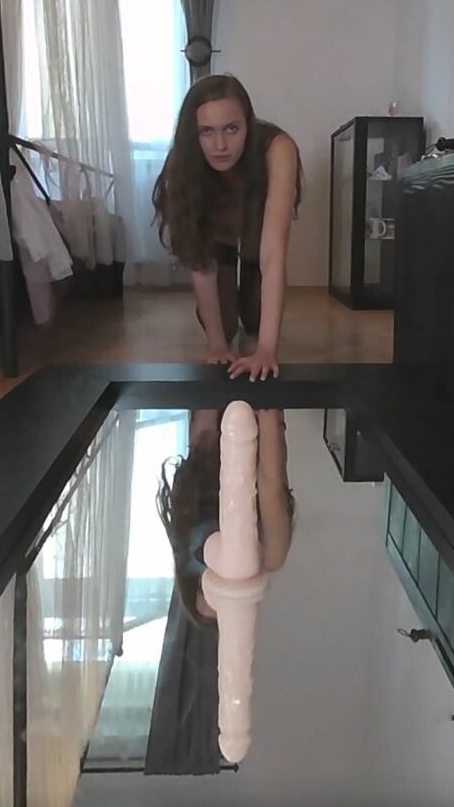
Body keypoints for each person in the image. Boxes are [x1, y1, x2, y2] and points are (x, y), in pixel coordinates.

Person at [151, 74, 301, 381]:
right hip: (217, 238)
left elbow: (273, 255)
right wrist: (217, 345)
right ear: (193, 134)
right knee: (226, 325)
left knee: (257, 318)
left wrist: (266, 350)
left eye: (232, 129)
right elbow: (198, 258)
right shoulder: (182, 166)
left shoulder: (278, 149)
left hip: (257, 230)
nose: (220, 145)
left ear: (248, 125)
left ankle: (248, 276)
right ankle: (232, 285)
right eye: (206, 131)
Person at [157, 407, 294, 626]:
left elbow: (201, 444)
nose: (218, 582)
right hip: (257, 416)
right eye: (222, 597)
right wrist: (265, 404)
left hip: (221, 414)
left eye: (206, 587)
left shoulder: (189, 537)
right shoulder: (270, 553)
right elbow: (271, 481)